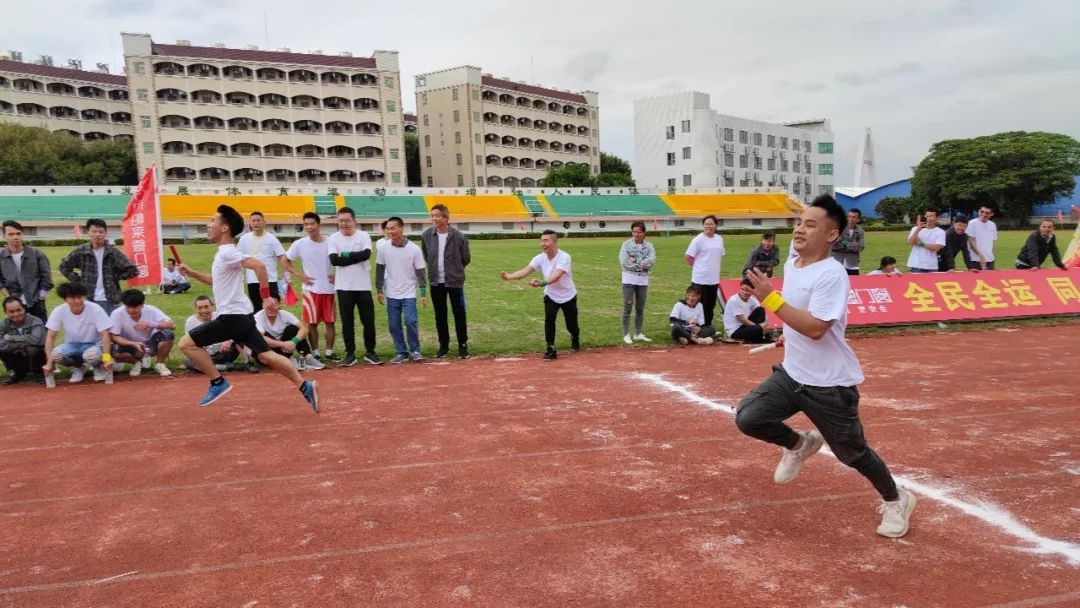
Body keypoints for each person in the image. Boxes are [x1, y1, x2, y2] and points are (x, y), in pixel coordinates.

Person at [738, 194, 915, 539]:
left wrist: (770, 299)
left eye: (810, 225)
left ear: (832, 235)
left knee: (854, 454)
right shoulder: (794, 262)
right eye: (799, 223)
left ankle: (896, 499)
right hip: (793, 374)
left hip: (829, 385)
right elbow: (800, 317)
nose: (800, 230)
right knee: (749, 417)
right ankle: (800, 444)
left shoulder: (832, 274)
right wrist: (789, 332)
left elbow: (818, 329)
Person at [177, 204, 318, 412]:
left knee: (186, 344)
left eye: (213, 221)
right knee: (266, 355)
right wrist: (193, 273)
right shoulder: (223, 253)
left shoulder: (227, 252)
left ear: (224, 228)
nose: (209, 225)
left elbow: (259, 266)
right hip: (242, 316)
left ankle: (218, 382)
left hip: (232, 318)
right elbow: (215, 280)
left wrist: (265, 296)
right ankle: (304, 385)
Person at [500, 230, 580, 361]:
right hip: (551, 295)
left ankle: (575, 337)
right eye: (541, 240)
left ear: (554, 242)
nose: (542, 243)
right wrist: (510, 276)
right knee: (549, 320)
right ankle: (550, 348)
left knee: (571, 324)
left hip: (568, 295)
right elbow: (526, 270)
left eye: (546, 240)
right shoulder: (540, 258)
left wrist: (542, 282)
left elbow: (557, 275)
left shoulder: (564, 257)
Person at [327, 206, 380, 366]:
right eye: (341, 220)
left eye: (347, 220)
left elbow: (366, 255)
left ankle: (370, 352)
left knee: (368, 321)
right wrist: (354, 256)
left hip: (363, 286)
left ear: (354, 221)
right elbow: (334, 260)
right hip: (343, 287)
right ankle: (350, 353)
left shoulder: (363, 235)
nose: (344, 223)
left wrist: (344, 254)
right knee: (347, 322)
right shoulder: (333, 238)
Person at [421, 204, 472, 359]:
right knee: (440, 315)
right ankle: (443, 345)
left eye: (437, 216)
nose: (434, 219)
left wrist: (455, 270)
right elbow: (426, 255)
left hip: (454, 281)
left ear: (445, 218)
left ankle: (462, 345)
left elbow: (466, 258)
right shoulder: (427, 235)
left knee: (459, 313)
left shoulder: (458, 236)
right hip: (436, 282)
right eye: (432, 216)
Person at [59, 218, 138, 315]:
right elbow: (64, 266)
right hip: (87, 297)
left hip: (109, 298)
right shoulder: (81, 250)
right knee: (89, 328)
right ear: (89, 232)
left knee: (110, 328)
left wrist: (115, 277)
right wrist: (78, 281)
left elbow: (133, 270)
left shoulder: (112, 252)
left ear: (105, 233)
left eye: (101, 232)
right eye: (94, 231)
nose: (97, 235)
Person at [286, 212, 337, 362]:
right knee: (312, 323)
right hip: (310, 289)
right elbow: (285, 260)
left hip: (329, 288)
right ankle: (315, 353)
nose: (309, 227)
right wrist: (299, 275)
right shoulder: (300, 244)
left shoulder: (331, 242)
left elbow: (339, 261)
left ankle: (329, 352)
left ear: (318, 224)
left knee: (330, 322)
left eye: (312, 223)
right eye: (306, 224)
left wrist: (337, 274)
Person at [376, 216, 427, 364]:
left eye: (393, 228)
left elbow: (421, 272)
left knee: (410, 321)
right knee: (394, 324)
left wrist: (422, 293)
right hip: (391, 292)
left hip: (409, 291)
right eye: (388, 228)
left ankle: (415, 350)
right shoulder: (383, 248)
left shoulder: (414, 249)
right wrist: (379, 290)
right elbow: (380, 270)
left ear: (401, 228)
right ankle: (401, 352)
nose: (390, 231)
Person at [42, 282, 115, 383]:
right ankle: (78, 367)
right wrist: (49, 362)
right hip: (72, 345)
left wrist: (106, 358)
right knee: (55, 356)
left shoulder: (95, 309)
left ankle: (97, 366)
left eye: (80, 297)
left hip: (95, 345)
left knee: (91, 356)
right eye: (72, 298)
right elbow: (50, 337)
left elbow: (105, 335)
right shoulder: (59, 311)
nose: (77, 301)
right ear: (65, 299)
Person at [237, 211, 303, 310]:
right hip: (252, 281)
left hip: (270, 280)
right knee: (257, 310)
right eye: (253, 221)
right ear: (249, 223)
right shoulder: (244, 239)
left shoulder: (272, 239)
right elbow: (238, 259)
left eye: (258, 221)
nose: (256, 223)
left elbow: (282, 258)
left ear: (264, 222)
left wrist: (290, 274)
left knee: (273, 308)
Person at [109, 288, 175, 377]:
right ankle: (136, 363)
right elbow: (114, 336)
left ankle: (160, 364)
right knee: (113, 349)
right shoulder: (117, 314)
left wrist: (150, 324)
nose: (132, 310)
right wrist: (133, 344)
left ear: (142, 305)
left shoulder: (151, 310)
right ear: (124, 305)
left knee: (168, 334)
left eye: (136, 307)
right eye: (128, 307)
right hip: (129, 346)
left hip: (150, 345)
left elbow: (172, 325)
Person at [1, 220, 53, 322]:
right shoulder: (1, 257)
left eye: (18, 233)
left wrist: (41, 297)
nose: (15, 237)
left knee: (41, 332)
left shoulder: (36, 254)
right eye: (11, 234)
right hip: (14, 303)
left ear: (22, 235)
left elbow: (46, 277)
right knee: (18, 333)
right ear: (4, 236)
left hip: (36, 301)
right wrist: (9, 298)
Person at [255, 296, 324, 369]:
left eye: (274, 305)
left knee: (293, 329)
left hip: (286, 348)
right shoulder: (257, 317)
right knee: (259, 337)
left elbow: (304, 328)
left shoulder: (284, 314)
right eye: (268, 305)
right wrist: (283, 344)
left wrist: (293, 341)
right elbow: (261, 339)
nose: (271, 308)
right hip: (268, 350)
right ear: (263, 305)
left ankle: (308, 357)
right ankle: (288, 360)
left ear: (279, 305)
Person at [619, 221, 655, 344]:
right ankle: (626, 334)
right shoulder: (626, 245)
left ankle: (638, 333)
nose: (636, 234)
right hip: (629, 279)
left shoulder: (649, 246)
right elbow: (625, 262)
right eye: (634, 231)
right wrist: (641, 264)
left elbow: (652, 260)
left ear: (644, 233)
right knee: (628, 307)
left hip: (643, 280)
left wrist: (636, 261)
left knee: (640, 308)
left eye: (639, 232)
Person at [183, 295, 241, 373]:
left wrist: (227, 340)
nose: (203, 311)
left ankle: (210, 367)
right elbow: (189, 345)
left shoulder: (220, 317)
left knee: (239, 340)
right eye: (199, 308)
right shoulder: (190, 321)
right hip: (205, 355)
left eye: (206, 307)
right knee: (189, 361)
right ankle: (225, 367)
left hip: (224, 352)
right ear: (195, 309)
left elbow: (235, 331)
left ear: (212, 307)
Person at [685, 215, 725, 326]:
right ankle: (697, 326)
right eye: (706, 224)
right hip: (700, 279)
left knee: (711, 305)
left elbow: (719, 255)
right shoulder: (698, 240)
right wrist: (697, 267)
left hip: (714, 279)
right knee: (700, 304)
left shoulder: (719, 239)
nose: (709, 226)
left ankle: (707, 326)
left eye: (711, 224)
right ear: (703, 225)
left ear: (715, 225)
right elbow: (688, 256)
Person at [0, 296, 46, 384]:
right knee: (3, 350)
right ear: (5, 312)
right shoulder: (3, 324)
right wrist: (19, 345)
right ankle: (19, 373)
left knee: (33, 349)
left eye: (18, 310)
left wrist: (12, 338)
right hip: (18, 353)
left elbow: (36, 340)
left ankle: (40, 373)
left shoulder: (36, 321)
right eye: (11, 311)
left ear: (24, 309)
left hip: (38, 356)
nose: (16, 314)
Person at [723, 278, 771, 344]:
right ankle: (757, 336)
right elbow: (742, 319)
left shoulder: (752, 299)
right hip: (735, 331)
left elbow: (761, 310)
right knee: (757, 329)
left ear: (752, 290)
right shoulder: (734, 300)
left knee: (760, 310)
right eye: (742, 289)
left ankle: (756, 336)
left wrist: (766, 322)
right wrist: (759, 327)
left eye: (748, 290)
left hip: (745, 327)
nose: (745, 292)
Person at [905, 209, 946, 273]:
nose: (929, 218)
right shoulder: (915, 228)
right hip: (916, 264)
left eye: (931, 216)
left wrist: (919, 243)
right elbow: (911, 242)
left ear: (937, 218)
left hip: (931, 266)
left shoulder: (940, 232)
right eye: (927, 216)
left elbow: (936, 248)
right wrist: (918, 229)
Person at [831, 209, 866, 275]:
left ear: (858, 219)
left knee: (854, 283)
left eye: (854, 217)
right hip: (837, 261)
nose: (851, 219)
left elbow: (860, 247)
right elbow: (833, 244)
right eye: (849, 216)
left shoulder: (860, 231)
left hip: (852, 264)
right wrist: (853, 245)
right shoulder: (838, 228)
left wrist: (844, 242)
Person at [966, 205, 998, 270]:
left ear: (991, 214)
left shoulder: (992, 225)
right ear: (978, 211)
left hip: (990, 260)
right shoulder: (972, 223)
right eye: (982, 212)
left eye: (987, 213)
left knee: (990, 279)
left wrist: (990, 254)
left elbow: (993, 240)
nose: (984, 214)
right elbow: (971, 241)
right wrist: (980, 255)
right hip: (975, 260)